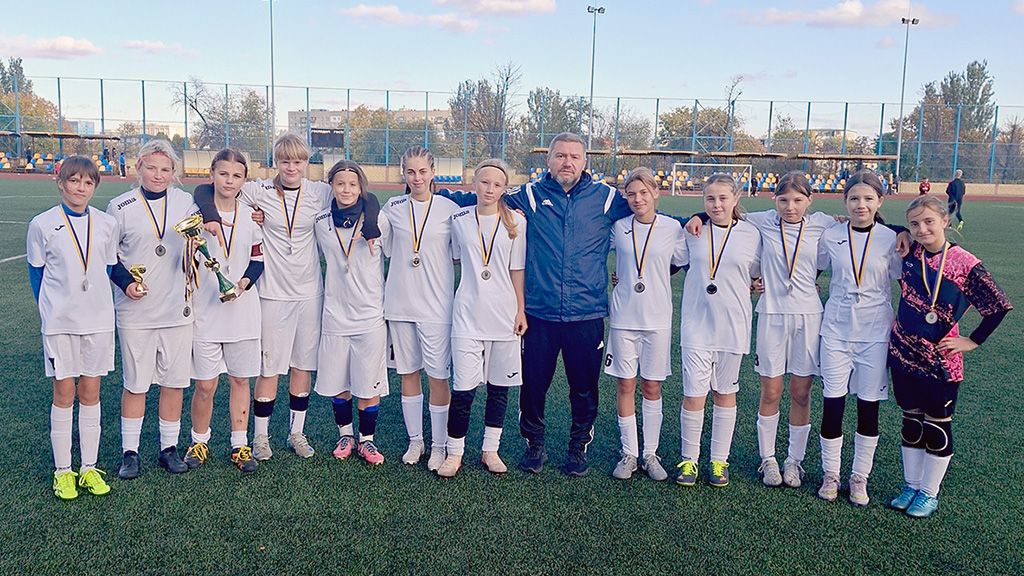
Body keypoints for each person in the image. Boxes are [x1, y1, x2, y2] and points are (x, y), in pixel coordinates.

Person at [193, 134, 379, 461]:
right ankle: (261, 436)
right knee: (270, 368)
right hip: (272, 293)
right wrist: (209, 213)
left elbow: (367, 197)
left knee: (301, 366)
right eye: (285, 161)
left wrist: (373, 224)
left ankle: (296, 433)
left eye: (298, 161)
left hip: (310, 294)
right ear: (276, 162)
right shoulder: (258, 190)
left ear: (306, 163)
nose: (291, 168)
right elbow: (204, 190)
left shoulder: (320, 192)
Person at [686, 171, 834, 488]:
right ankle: (768, 460)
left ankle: (794, 461)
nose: (790, 207)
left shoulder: (823, 224)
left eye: (798, 200)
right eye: (784, 200)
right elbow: (724, 213)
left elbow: (863, 226)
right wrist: (699, 214)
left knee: (801, 393)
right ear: (774, 200)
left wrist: (901, 232)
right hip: (771, 315)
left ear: (810, 200)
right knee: (771, 392)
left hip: (809, 317)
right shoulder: (761, 221)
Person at [887, 195, 1011, 518]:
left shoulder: (964, 262)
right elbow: (879, 224)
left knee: (937, 427)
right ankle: (911, 486)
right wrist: (902, 230)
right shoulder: (910, 250)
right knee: (911, 422)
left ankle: (929, 493)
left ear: (945, 221)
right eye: (915, 224)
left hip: (940, 360)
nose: (922, 229)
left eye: (929, 221)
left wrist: (973, 340)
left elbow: (997, 305)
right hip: (902, 352)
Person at [27, 156, 118, 499]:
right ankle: (63, 471)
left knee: (91, 393)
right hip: (60, 324)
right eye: (74, 180)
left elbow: (108, 269)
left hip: (98, 322)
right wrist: (51, 314)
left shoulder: (106, 224)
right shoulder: (42, 224)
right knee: (64, 393)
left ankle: (88, 467)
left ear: (95, 186)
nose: (81, 188)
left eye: (88, 182)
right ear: (61, 183)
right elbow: (37, 275)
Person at [106, 139, 195, 478]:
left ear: (174, 173)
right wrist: (126, 283)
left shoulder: (185, 202)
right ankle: (130, 453)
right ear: (138, 168)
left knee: (174, 382)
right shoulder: (120, 205)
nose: (158, 175)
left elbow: (196, 242)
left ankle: (168, 449)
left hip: (177, 308)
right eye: (152, 168)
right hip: (135, 309)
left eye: (166, 169)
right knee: (136, 383)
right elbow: (109, 257)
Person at [436, 159, 527, 478]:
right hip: (467, 316)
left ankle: (490, 450)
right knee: (463, 390)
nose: (490, 189)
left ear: (505, 189)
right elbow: (452, 259)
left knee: (499, 388)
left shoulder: (517, 222)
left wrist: (520, 309)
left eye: (497, 184)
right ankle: (454, 453)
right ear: (474, 183)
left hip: (504, 316)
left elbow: (517, 269)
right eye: (484, 182)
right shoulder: (459, 219)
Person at [815, 170, 901, 506]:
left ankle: (859, 476)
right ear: (844, 201)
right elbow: (812, 269)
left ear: (880, 201)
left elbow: (904, 279)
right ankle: (831, 473)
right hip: (836, 332)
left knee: (868, 408)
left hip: (874, 334)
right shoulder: (831, 235)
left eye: (868, 198)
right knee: (833, 404)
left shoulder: (892, 239)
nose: (860, 205)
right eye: (854, 198)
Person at [675, 174, 761, 488]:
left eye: (723, 198)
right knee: (693, 394)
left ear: (736, 198)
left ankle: (719, 460)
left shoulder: (752, 234)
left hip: (733, 326)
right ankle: (689, 460)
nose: (717, 205)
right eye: (710, 199)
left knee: (725, 393)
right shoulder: (692, 231)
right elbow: (669, 259)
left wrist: (758, 283)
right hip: (696, 326)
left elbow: (758, 272)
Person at [183, 149, 265, 473]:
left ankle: (239, 445)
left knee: (240, 380)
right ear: (212, 175)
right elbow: (185, 266)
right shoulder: (195, 216)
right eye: (223, 174)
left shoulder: (251, 215)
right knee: (205, 385)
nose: (229, 181)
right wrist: (190, 250)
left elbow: (258, 259)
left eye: (236, 176)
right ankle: (199, 441)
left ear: (244, 180)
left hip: (242, 312)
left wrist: (242, 285)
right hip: (206, 311)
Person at [381, 146, 460, 471]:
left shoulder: (449, 209)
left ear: (433, 172)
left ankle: (440, 445)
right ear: (403, 173)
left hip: (437, 308)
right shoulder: (392, 207)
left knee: (438, 377)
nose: (417, 178)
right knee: (408, 374)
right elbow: (379, 243)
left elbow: (461, 254)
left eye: (423, 171)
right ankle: (416, 441)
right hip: (400, 305)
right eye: (411, 172)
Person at [605, 168, 684, 482]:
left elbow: (687, 260)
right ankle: (629, 453)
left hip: (657, 319)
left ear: (655, 193)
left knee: (652, 387)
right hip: (623, 318)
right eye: (631, 194)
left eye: (643, 192)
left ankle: (650, 453)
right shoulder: (619, 227)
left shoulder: (672, 228)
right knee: (625, 385)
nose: (638, 199)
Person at [313, 160, 390, 466]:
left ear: (361, 188)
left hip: (369, 313)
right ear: (331, 186)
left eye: (353, 184)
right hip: (335, 313)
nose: (346, 190)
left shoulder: (378, 219)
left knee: (368, 381)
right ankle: (345, 435)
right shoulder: (320, 221)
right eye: (340, 183)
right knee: (339, 381)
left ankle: (367, 440)